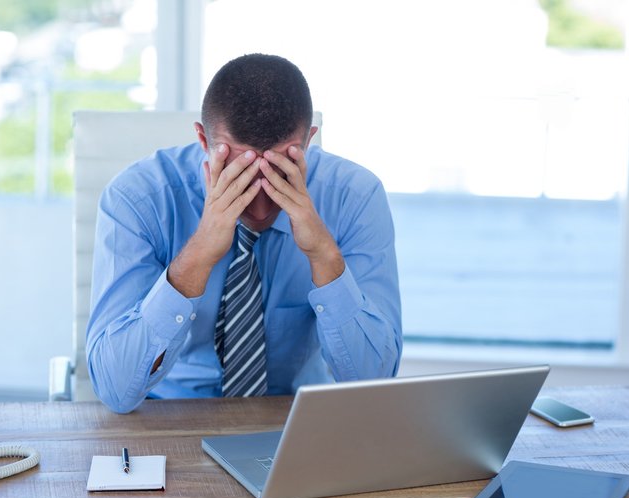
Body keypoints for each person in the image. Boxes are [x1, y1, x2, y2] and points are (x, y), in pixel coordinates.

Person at [86, 53, 402, 414]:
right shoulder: (138, 198)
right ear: (203, 139)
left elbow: (373, 386)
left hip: (298, 418)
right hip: (167, 413)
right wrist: (199, 254)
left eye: (282, 175)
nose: (261, 208)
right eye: (240, 177)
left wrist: (324, 257)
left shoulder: (355, 197)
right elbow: (115, 389)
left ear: (309, 141)